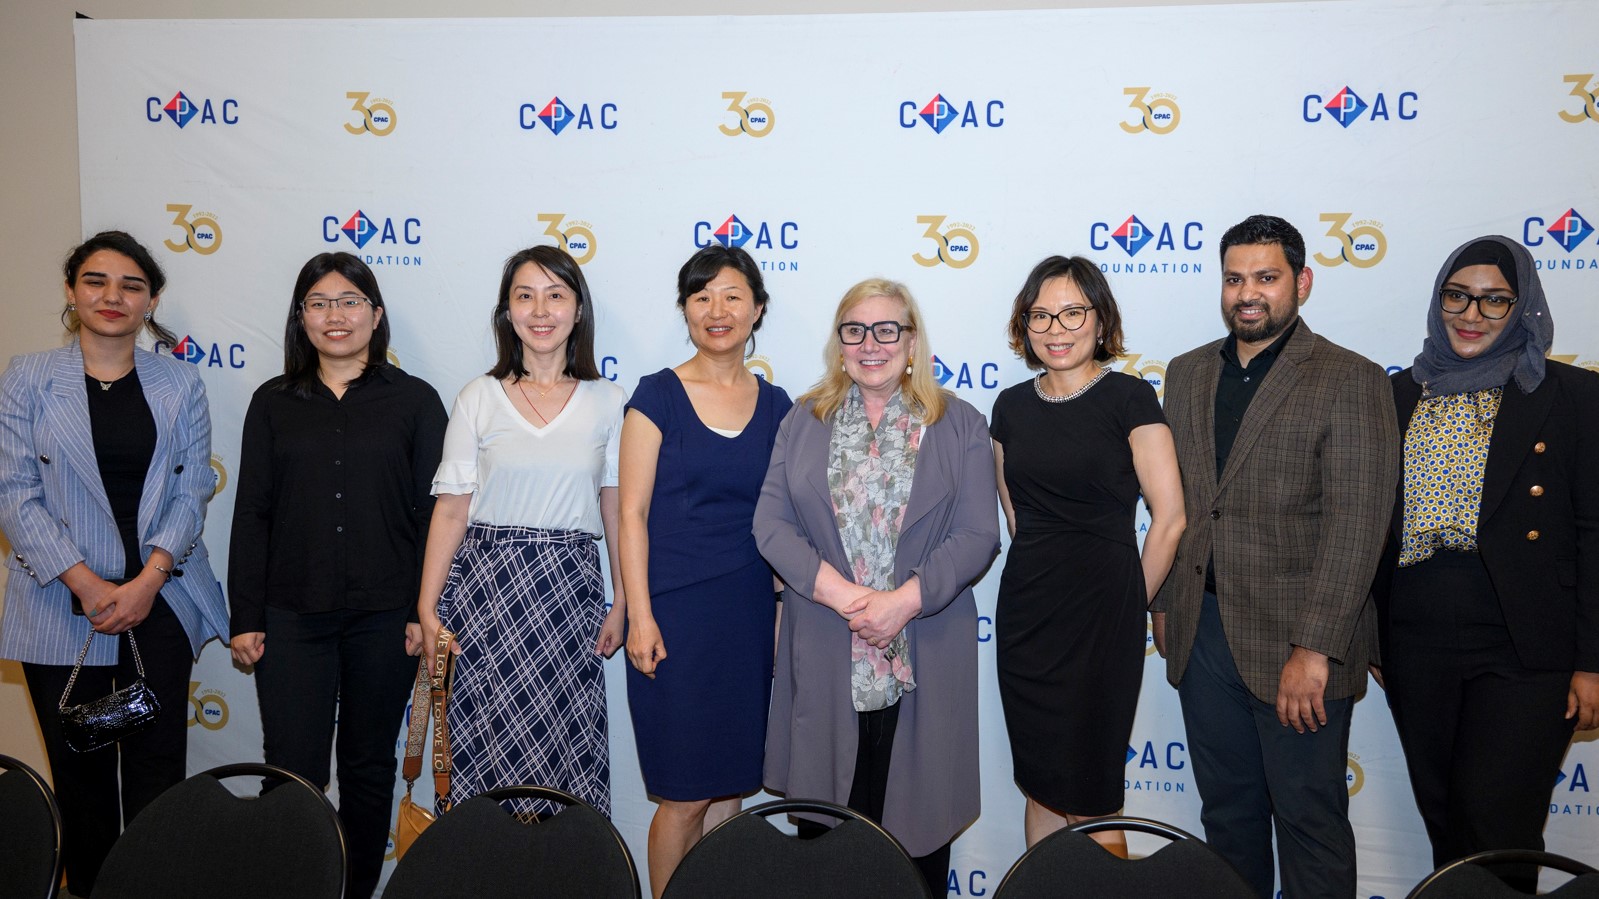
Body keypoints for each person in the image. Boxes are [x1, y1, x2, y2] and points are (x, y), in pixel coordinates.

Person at [1149, 214, 1398, 899]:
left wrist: (1313, 648)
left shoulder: (1350, 377)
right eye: (1233, 278)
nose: (1246, 292)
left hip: (1299, 649)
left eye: (1265, 276)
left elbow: (1357, 525)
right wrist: (1168, 603)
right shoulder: (1187, 372)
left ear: (1301, 282)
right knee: (1226, 823)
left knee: (1308, 822)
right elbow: (1181, 507)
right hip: (1202, 639)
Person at [0, 231, 228, 896]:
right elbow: (14, 492)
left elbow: (193, 490)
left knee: (159, 774)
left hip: (157, 602)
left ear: (151, 300)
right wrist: (89, 582)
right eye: (96, 280)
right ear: (73, 292)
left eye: (131, 284)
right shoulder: (27, 379)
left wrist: (148, 579)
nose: (112, 296)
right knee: (82, 776)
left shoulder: (180, 382)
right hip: (61, 606)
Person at [754, 278, 999, 895]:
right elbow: (770, 523)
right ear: (839, 344)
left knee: (916, 846)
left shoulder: (959, 422)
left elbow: (977, 535)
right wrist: (841, 595)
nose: (871, 344)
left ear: (911, 343)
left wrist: (901, 603)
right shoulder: (803, 419)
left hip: (923, 648)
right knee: (828, 845)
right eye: (855, 330)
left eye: (887, 329)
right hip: (826, 646)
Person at [1372, 236, 1599, 889]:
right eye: (1456, 294)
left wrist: (1590, 661)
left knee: (1497, 824)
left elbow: (1592, 531)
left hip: (1524, 643)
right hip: (1415, 638)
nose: (1469, 312)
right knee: (1446, 822)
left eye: (1493, 300)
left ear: (1521, 306)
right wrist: (1370, 635)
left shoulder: (1571, 397)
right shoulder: (1397, 395)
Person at [228, 252, 446, 899]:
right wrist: (247, 617)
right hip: (292, 617)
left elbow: (432, 516)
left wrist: (421, 611)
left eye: (349, 300)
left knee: (369, 765)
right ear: (301, 317)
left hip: (385, 617)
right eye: (320, 303)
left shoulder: (415, 401)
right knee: (291, 770)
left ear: (376, 316)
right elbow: (252, 512)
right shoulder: (272, 403)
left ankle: (354, 892)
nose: (336, 315)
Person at [417, 245, 627, 818]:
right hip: (487, 590)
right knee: (481, 756)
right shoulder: (477, 397)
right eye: (525, 295)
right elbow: (452, 509)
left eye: (556, 295)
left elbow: (616, 513)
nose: (541, 310)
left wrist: (624, 599)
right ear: (506, 312)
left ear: (577, 310)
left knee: (564, 751)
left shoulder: (609, 402)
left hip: (570, 594)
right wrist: (429, 607)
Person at [990, 256, 1185, 854]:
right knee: (1041, 789)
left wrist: (1130, 606)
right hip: (1028, 616)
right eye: (1041, 315)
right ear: (1025, 325)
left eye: (1073, 312)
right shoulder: (1010, 407)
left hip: (1103, 616)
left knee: (1096, 801)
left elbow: (1171, 519)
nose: (1056, 327)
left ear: (1100, 320)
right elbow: (1017, 517)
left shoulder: (1130, 397)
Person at [619, 244, 792, 897]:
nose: (716, 310)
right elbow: (630, 515)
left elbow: (786, 524)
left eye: (731, 296)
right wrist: (640, 615)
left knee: (730, 792)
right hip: (674, 615)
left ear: (756, 309)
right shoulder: (655, 396)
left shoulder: (779, 407)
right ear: (685, 310)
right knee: (685, 796)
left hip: (746, 613)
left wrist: (780, 615)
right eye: (701, 297)